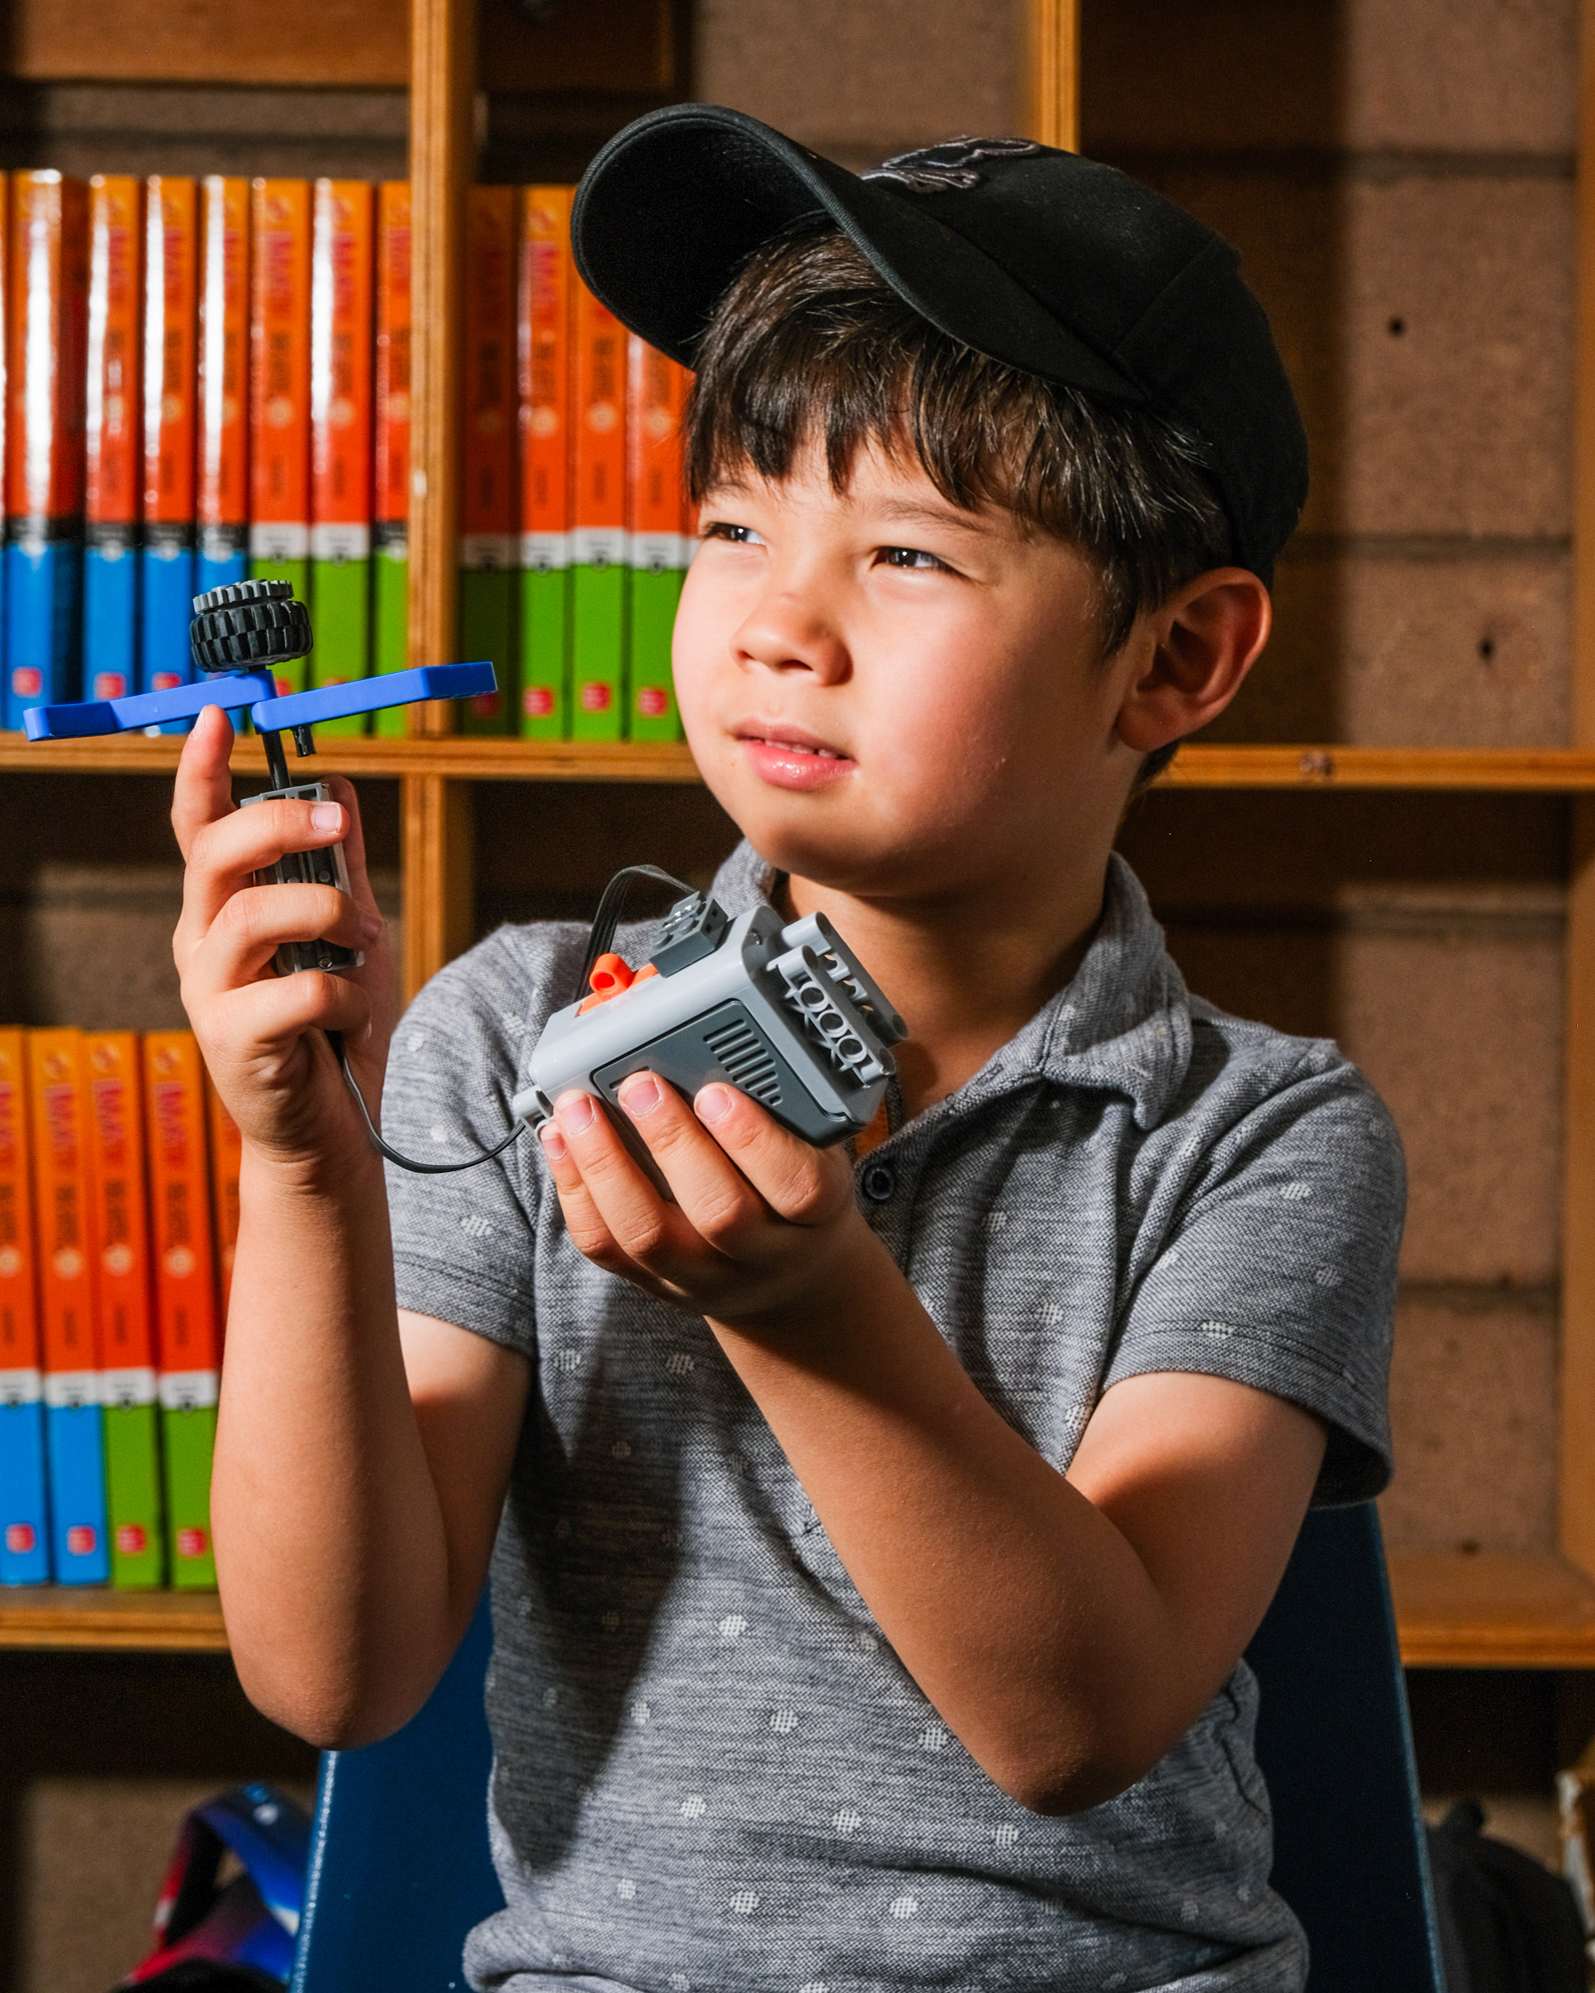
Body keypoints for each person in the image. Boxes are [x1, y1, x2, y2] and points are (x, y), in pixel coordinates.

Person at [172, 107, 1405, 1992]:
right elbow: (336, 1669)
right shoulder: (511, 1026)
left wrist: (813, 1305)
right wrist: (301, 1162)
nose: (775, 624)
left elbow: (1077, 1722)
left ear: (1177, 658)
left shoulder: (1262, 1137)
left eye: (907, 554)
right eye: (736, 525)